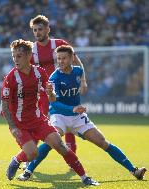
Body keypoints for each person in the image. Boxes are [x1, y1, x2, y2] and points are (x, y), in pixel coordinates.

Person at [18, 45, 147, 181]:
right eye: (58, 59)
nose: (60, 61)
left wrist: (84, 82)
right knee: (52, 142)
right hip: (59, 115)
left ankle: (134, 170)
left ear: (72, 58)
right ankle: (28, 171)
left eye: (64, 58)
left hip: (77, 117)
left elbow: (81, 69)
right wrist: (69, 107)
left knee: (102, 142)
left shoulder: (78, 71)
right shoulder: (54, 77)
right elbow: (54, 102)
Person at [1, 39, 99, 185]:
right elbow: (4, 105)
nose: (15, 59)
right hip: (19, 123)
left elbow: (51, 97)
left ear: (29, 56)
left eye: (19, 56)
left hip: (38, 119)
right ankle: (16, 160)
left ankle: (85, 178)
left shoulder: (39, 73)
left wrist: (50, 93)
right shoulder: (11, 78)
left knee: (60, 145)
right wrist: (13, 127)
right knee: (32, 153)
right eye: (13, 56)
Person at [21, 14, 86, 170]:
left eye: (40, 29)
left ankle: (72, 159)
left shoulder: (59, 44)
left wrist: (83, 80)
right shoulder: (32, 50)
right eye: (34, 30)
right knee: (37, 124)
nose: (37, 33)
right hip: (43, 93)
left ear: (48, 29)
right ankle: (30, 158)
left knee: (69, 121)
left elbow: (76, 61)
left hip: (63, 92)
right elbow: (26, 70)